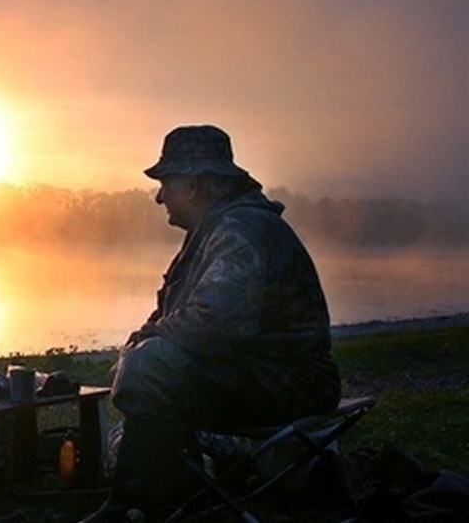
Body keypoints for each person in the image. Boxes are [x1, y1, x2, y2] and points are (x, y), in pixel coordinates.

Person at [79, 124, 341, 523]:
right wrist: (141, 343)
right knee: (146, 363)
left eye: (167, 181)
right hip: (257, 373)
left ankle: (135, 506)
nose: (159, 196)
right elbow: (178, 316)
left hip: (290, 383)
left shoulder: (241, 230)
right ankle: (175, 488)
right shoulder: (215, 230)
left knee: (151, 367)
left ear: (196, 185)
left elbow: (216, 325)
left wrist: (145, 350)